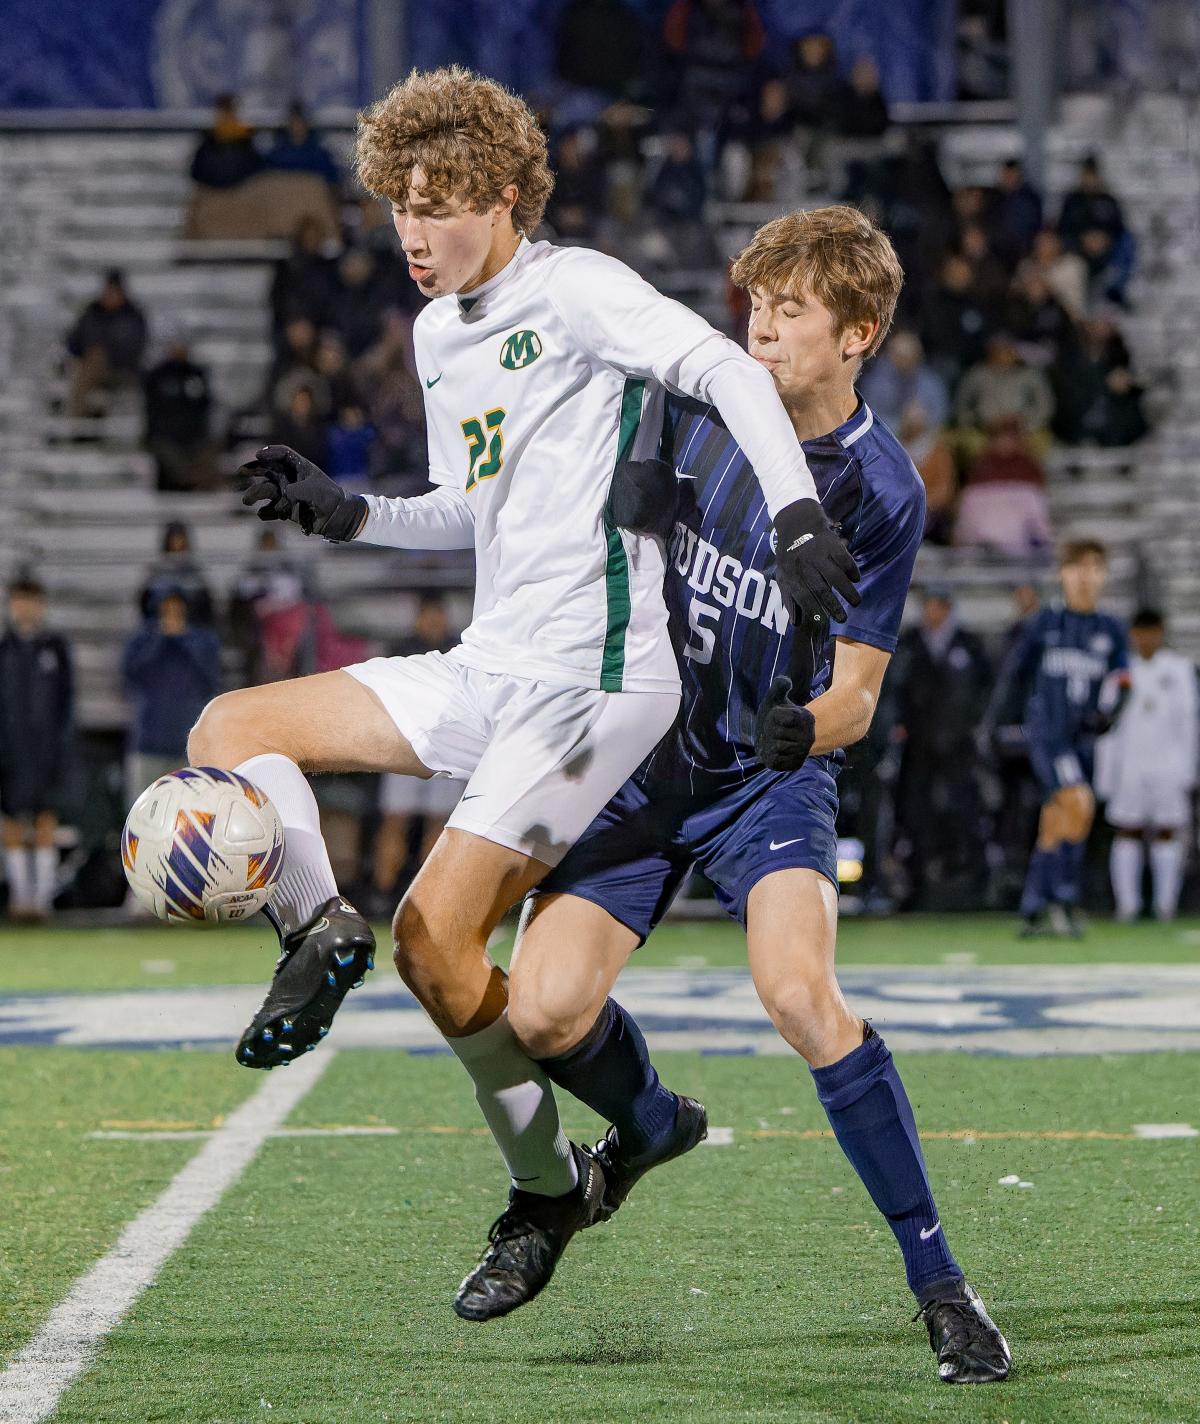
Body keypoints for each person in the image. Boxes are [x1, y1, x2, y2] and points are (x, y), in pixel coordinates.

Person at [193, 63, 858, 1306]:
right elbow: (468, 502)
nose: (411, 227)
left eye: (438, 200)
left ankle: (549, 1190)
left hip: (601, 676)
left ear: (506, 198)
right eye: (399, 200)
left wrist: (800, 510)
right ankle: (319, 933)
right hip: (497, 661)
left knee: (437, 935)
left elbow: (723, 371)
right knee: (233, 725)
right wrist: (352, 514)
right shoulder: (437, 331)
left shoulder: (577, 289)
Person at [488, 205, 1010, 1381]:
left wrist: (801, 726)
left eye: (791, 312)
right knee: (540, 1014)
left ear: (859, 332)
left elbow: (861, 698)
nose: (761, 330)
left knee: (800, 994)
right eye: (756, 307)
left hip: (766, 783)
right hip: (640, 758)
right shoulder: (703, 400)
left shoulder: (883, 488)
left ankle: (941, 1283)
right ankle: (650, 1125)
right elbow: (618, 538)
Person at [985, 540, 1130, 937]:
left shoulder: (1111, 629)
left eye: (1095, 567)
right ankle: (1064, 897)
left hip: (1083, 739)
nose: (1086, 576)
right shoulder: (1044, 624)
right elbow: (1013, 676)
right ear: (1062, 574)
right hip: (1049, 735)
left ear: (1104, 575)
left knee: (1058, 819)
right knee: (1078, 803)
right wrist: (993, 724)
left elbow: (1124, 680)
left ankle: (1034, 903)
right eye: (1077, 567)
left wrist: (1111, 715)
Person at [892, 589, 992, 908]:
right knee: (915, 815)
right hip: (918, 746)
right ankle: (916, 887)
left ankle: (976, 887)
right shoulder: (910, 644)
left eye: (937, 607)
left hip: (958, 746)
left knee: (965, 812)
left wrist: (971, 726)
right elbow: (895, 688)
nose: (931, 613)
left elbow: (985, 690)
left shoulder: (969, 644)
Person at [1096, 610, 1197, 921]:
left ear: (1161, 633)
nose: (1146, 639)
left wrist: (1190, 770)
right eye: (1140, 633)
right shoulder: (1120, 673)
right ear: (1132, 635)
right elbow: (1106, 726)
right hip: (1130, 765)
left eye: (1151, 632)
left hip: (1169, 764)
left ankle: (1165, 905)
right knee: (1128, 830)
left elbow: (1189, 723)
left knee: (1168, 831)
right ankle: (1128, 905)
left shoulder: (1179, 671)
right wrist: (1105, 774)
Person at [370, 593, 463, 907]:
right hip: (405, 744)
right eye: (430, 615)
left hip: (448, 746)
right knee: (395, 819)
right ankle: (383, 895)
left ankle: (425, 898)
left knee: (438, 824)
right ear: (419, 617)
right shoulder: (402, 651)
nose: (435, 622)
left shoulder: (458, 649)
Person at [0, 576, 73, 921]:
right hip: (10, 747)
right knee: (12, 822)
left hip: (47, 748)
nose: (24, 607)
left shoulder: (55, 647)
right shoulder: (4, 648)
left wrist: (63, 745)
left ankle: (42, 901)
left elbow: (67, 701)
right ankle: (20, 898)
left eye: (30, 600)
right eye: (19, 600)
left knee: (45, 820)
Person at [122, 590, 222, 805]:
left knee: (191, 815)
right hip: (148, 743)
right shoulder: (142, 641)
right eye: (166, 611)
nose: (172, 616)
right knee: (142, 811)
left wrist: (183, 640)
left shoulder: (203, 642)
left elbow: (212, 679)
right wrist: (160, 639)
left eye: (177, 610)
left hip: (188, 745)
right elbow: (131, 675)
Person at [65, 270, 148, 418]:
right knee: (82, 365)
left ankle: (77, 421)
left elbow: (135, 349)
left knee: (96, 358)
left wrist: (105, 354)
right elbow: (73, 341)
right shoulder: (92, 312)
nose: (110, 295)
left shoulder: (132, 316)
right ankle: (79, 421)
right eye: (108, 291)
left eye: (115, 291)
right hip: (89, 368)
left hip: (121, 371)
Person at [142, 339, 217, 491]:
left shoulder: (197, 374)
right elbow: (151, 410)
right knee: (168, 454)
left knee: (208, 454)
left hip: (195, 438)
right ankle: (188, 481)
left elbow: (206, 407)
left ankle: (200, 484)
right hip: (167, 438)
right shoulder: (158, 375)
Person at [137, 522, 215, 627]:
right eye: (173, 539)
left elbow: (205, 604)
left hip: (191, 625)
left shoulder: (194, 569)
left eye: (180, 539)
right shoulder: (156, 570)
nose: (177, 543)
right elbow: (146, 603)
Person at [189, 94, 262, 190]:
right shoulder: (208, 145)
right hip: (218, 196)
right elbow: (196, 173)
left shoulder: (247, 143)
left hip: (240, 196)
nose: (227, 116)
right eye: (224, 110)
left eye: (229, 110)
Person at [264, 103, 340, 187]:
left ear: (306, 125)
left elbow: (333, 183)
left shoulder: (320, 156)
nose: (297, 127)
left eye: (300, 122)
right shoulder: (277, 156)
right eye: (293, 122)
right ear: (288, 125)